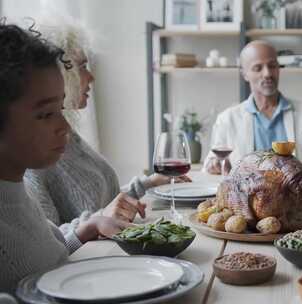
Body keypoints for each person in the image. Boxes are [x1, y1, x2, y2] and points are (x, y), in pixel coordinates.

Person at [23, 18, 188, 235]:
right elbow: (47, 239)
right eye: (82, 67)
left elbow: (104, 203)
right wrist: (97, 221)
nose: (91, 77)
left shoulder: (69, 134)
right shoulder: (33, 154)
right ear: (60, 74)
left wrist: (149, 183)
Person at [0, 21, 128, 294]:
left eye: (60, 108)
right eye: (46, 114)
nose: (66, 127)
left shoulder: (15, 192)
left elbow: (46, 256)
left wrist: (85, 229)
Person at [203, 40, 302, 173]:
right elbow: (210, 163)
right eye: (258, 68)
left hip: (300, 197)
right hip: (250, 199)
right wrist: (214, 164)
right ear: (245, 74)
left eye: (272, 66)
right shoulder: (227, 119)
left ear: (278, 68)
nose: (267, 73)